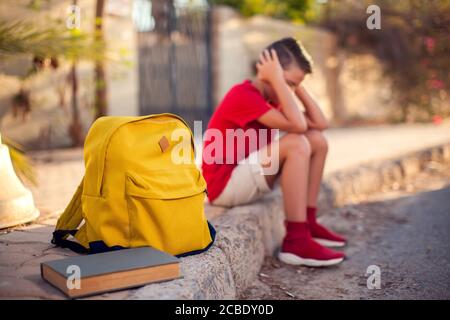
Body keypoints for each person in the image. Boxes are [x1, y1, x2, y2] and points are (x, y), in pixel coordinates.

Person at [201, 37, 346, 267]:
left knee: (317, 141)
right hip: (224, 186)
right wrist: (279, 80)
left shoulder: (274, 100)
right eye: (289, 83)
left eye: (295, 86)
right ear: (270, 73)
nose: (291, 90)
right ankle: (296, 241)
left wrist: (293, 86)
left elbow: (320, 123)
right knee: (297, 143)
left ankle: (307, 222)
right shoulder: (243, 95)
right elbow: (298, 127)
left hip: (247, 177)